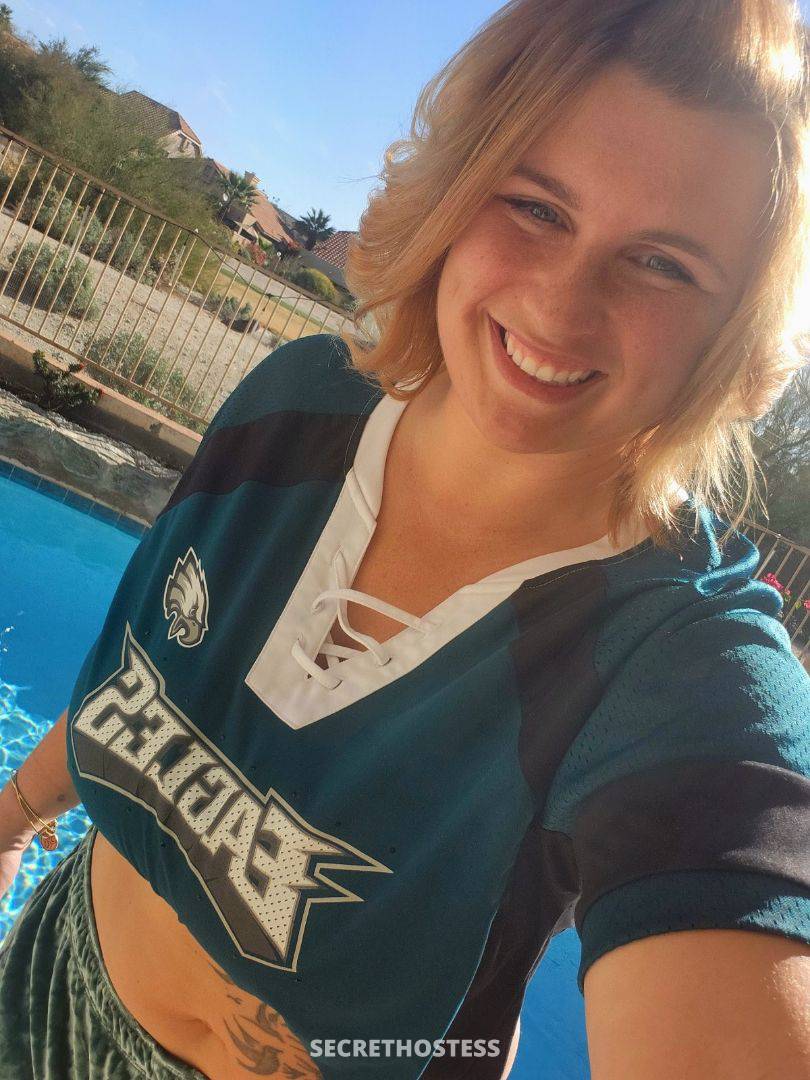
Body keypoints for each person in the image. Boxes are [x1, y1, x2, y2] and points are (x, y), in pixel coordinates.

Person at [1, 0, 809, 1077]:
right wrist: (13, 820)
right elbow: (141, 681)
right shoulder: (292, 406)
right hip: (51, 976)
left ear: (734, 330)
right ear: (457, 191)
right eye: (536, 205)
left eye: (664, 264)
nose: (561, 306)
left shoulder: (685, 671)